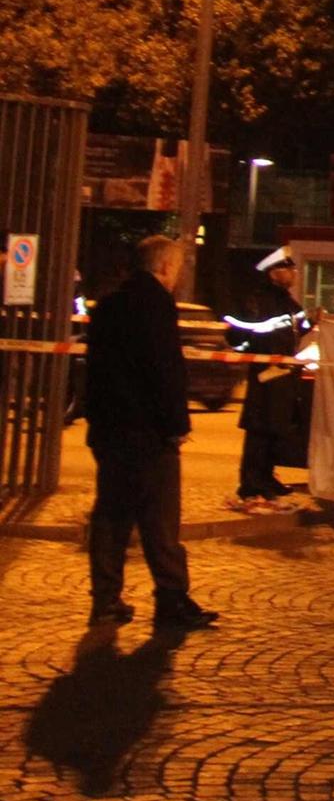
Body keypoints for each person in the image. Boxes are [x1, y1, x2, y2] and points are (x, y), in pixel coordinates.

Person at [83, 236, 219, 632]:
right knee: (160, 520)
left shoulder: (108, 305)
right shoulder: (157, 306)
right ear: (164, 267)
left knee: (112, 516)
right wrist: (177, 426)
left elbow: (95, 372)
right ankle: (171, 599)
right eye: (177, 268)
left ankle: (106, 599)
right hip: (148, 434)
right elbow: (165, 372)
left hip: (111, 432)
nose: (177, 277)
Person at [223, 246, 312, 506]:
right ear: (273, 273)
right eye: (287, 269)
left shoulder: (286, 301)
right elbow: (237, 335)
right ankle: (250, 484)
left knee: (276, 428)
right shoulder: (258, 300)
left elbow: (295, 329)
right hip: (264, 376)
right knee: (259, 429)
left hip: (283, 376)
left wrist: (312, 322)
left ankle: (266, 477)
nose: (293, 273)